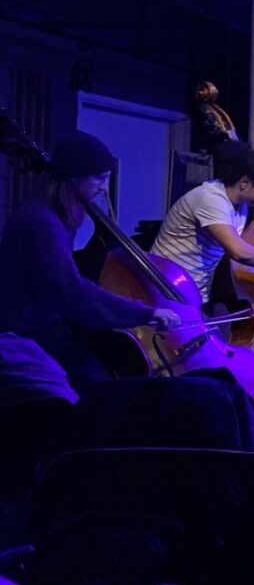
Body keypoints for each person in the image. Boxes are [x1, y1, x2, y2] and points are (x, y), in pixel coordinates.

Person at [0, 131, 180, 391]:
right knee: (99, 391)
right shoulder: (42, 221)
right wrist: (144, 313)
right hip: (26, 336)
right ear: (74, 178)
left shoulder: (54, 215)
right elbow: (71, 290)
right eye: (99, 178)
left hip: (45, 327)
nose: (104, 188)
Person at [151, 145, 254, 303]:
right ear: (244, 183)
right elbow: (238, 251)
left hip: (195, 289)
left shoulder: (245, 199)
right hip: (167, 287)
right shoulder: (212, 199)